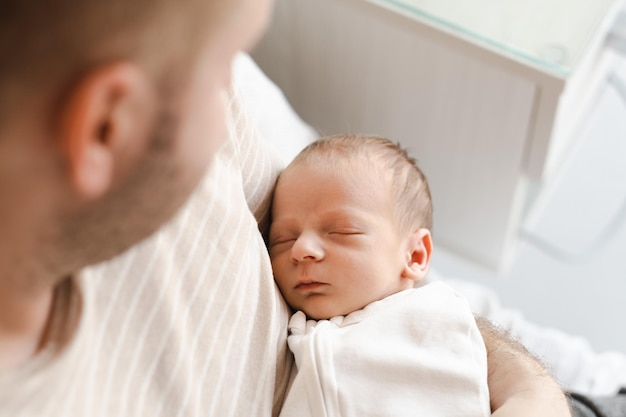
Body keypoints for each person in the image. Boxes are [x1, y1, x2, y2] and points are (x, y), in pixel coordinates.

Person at [0, 0, 572, 416]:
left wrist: (530, 389)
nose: (232, 102)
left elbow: (399, 295)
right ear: (107, 127)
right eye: (226, 62)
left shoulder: (191, 134)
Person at [269, 134, 490, 416]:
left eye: (341, 231)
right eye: (282, 240)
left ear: (414, 255)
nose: (300, 250)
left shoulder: (435, 319)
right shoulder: (294, 331)